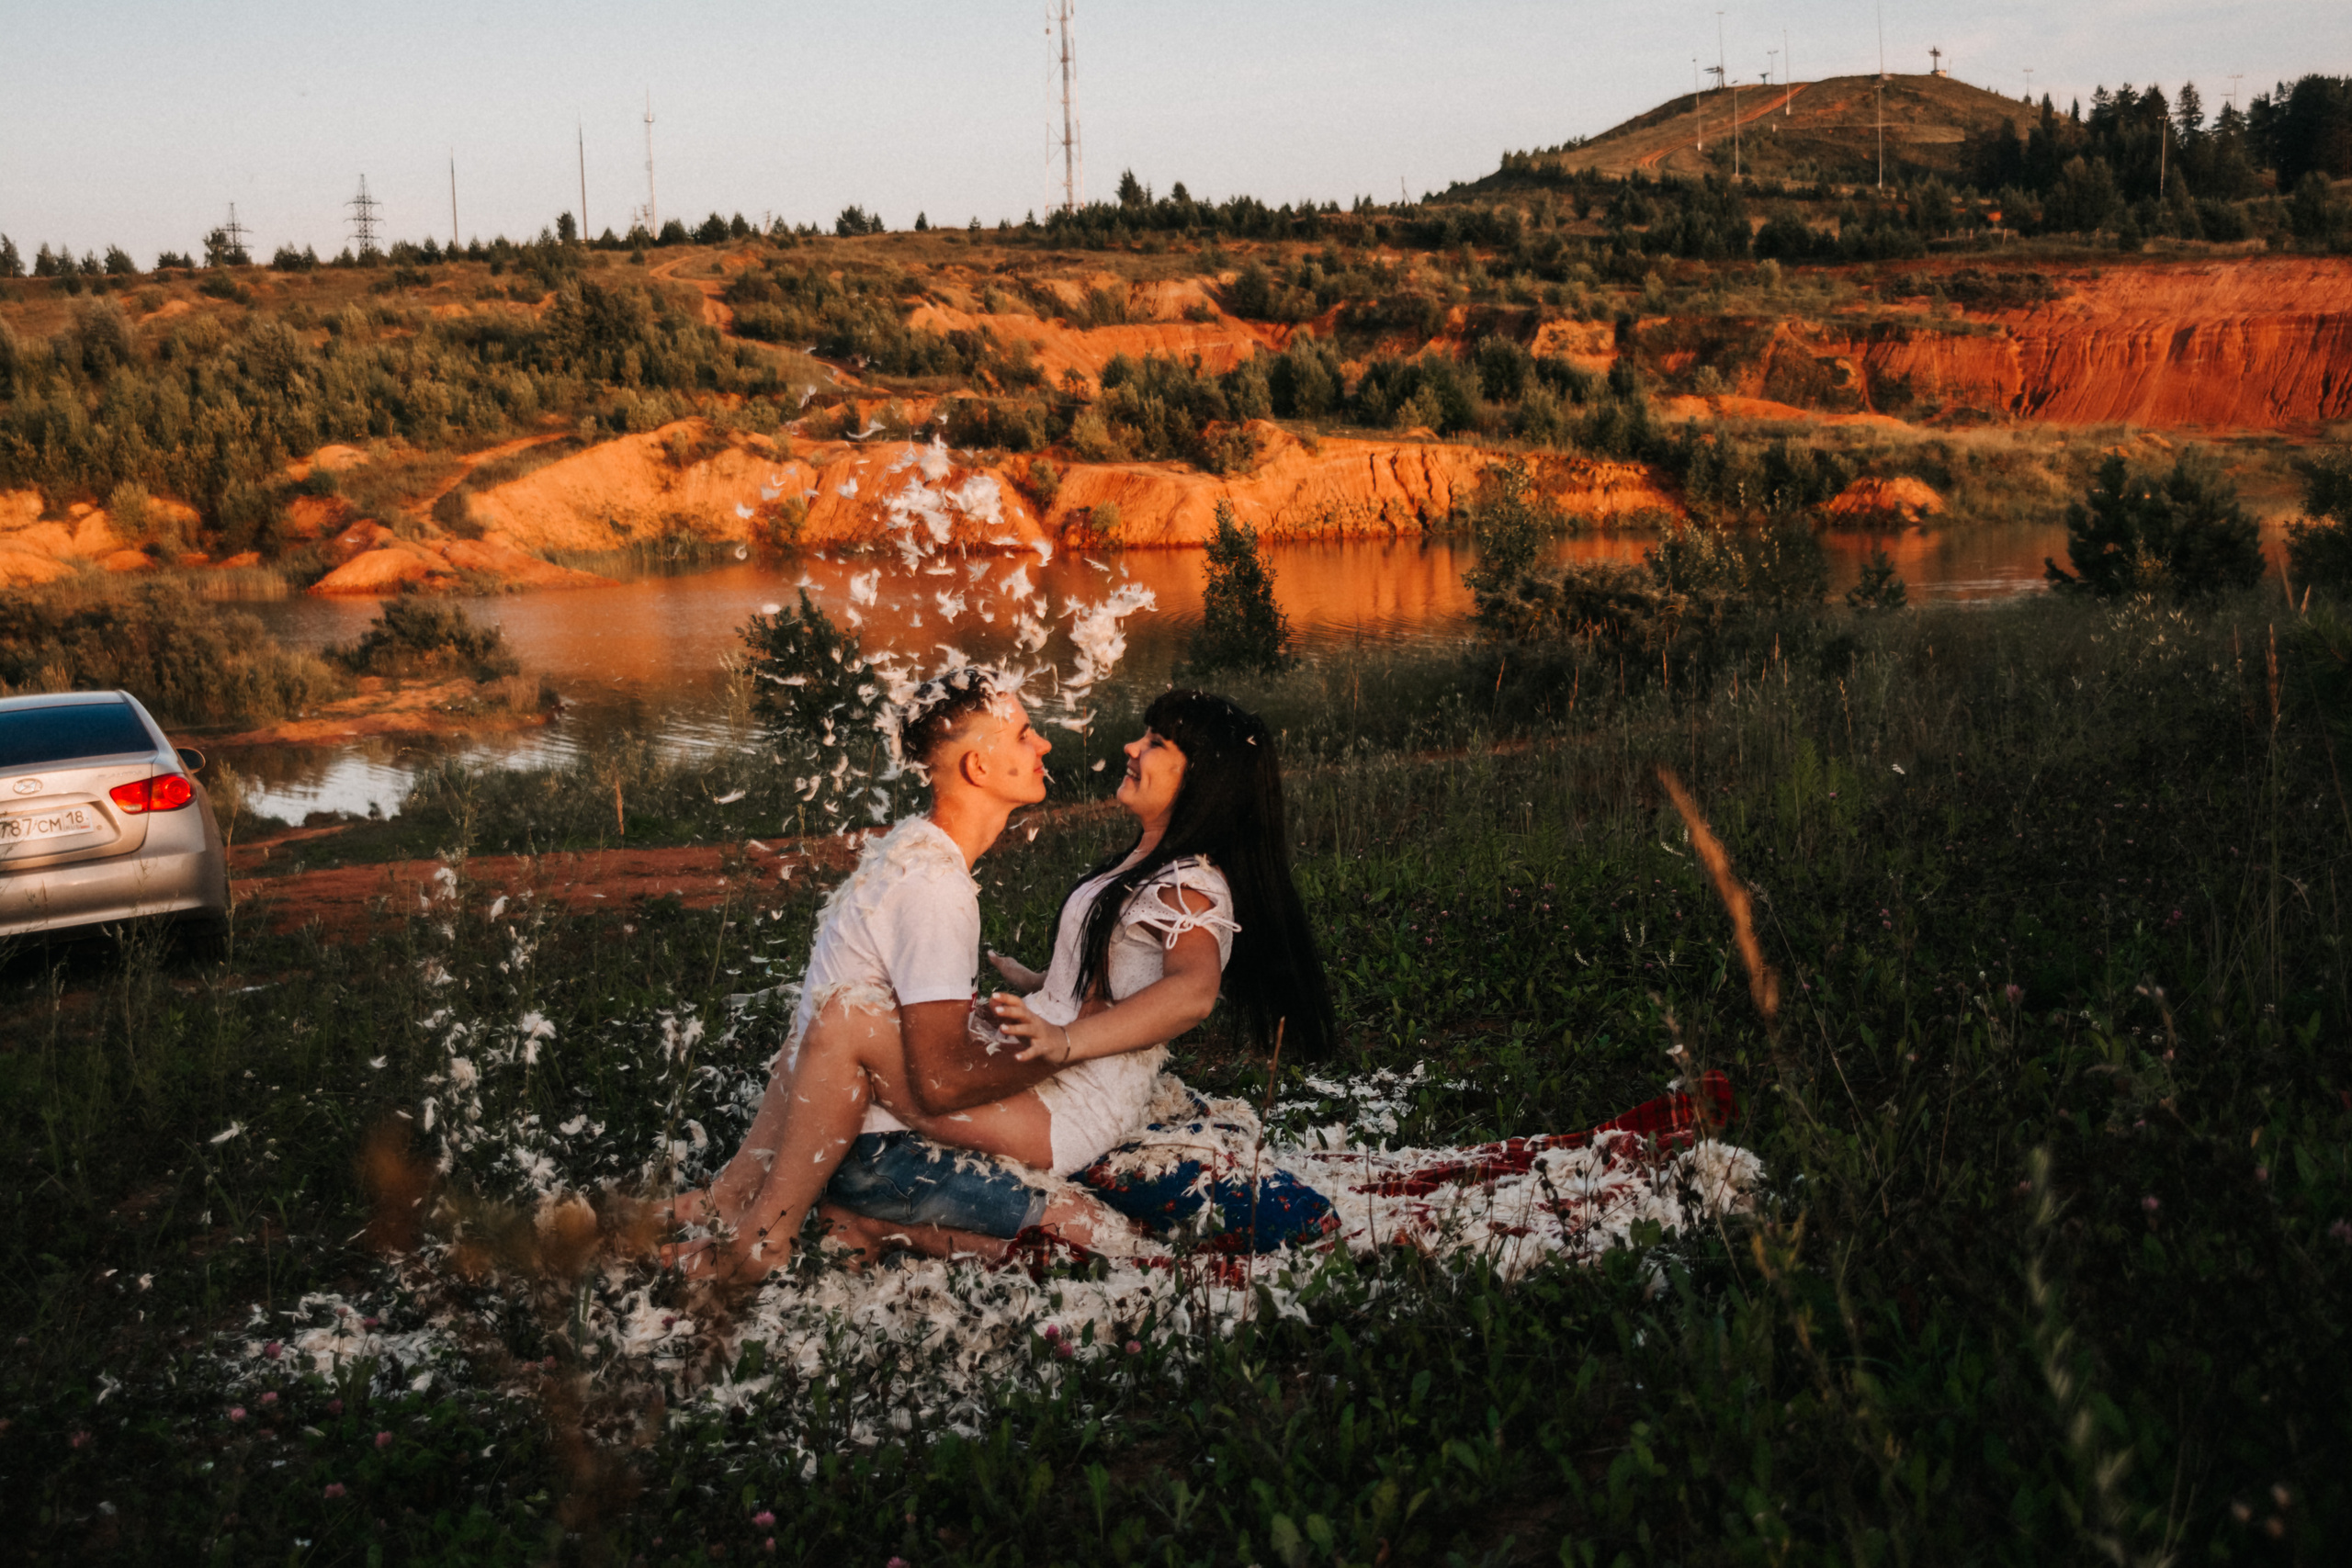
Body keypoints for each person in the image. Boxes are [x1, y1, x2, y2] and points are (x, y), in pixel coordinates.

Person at [668, 668, 1126, 1279]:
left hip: (844, 1134)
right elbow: (937, 1083)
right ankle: (826, 1232)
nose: (1043, 744)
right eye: (1023, 734)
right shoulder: (935, 887)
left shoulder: (912, 850)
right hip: (882, 1154)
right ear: (978, 767)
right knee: (1105, 1248)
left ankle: (742, 1217)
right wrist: (1059, 1050)